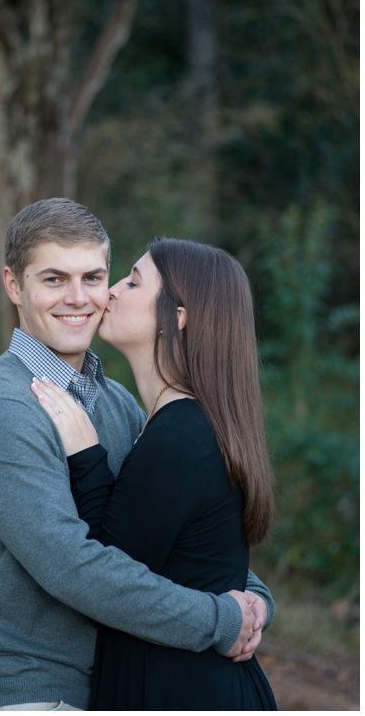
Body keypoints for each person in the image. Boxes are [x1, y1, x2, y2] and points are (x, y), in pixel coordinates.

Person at [0, 199, 273, 711]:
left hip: (110, 687)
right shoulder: (0, 408)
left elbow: (171, 526)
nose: (79, 298)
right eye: (54, 279)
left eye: (94, 278)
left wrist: (252, 598)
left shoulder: (118, 403)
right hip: (26, 689)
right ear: (13, 286)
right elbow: (72, 565)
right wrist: (220, 620)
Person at [31, 237, 277, 709]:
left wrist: (86, 457)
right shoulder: (183, 424)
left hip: (181, 690)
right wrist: (257, 604)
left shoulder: (180, 436)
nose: (113, 291)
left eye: (133, 281)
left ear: (176, 318)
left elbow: (105, 571)